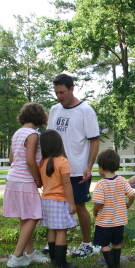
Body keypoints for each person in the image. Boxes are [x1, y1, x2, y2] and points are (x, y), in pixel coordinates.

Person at [47, 73, 100, 258]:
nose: (59, 96)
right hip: (55, 169)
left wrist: (88, 166)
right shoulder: (54, 110)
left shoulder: (86, 110)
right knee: (55, 204)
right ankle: (53, 243)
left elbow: (94, 140)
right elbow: (50, 139)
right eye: (56, 93)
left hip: (77, 169)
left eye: (62, 92)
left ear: (71, 89)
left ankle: (87, 244)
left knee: (79, 206)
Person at [3, 102, 50, 268]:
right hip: (25, 180)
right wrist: (38, 179)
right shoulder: (33, 134)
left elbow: (12, 158)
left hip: (13, 179)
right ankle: (16, 256)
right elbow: (30, 160)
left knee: (25, 216)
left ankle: (29, 253)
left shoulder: (18, 133)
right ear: (40, 117)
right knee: (34, 215)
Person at [39, 129, 78, 268]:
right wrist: (72, 203)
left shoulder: (42, 162)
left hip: (46, 200)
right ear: (59, 144)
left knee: (52, 230)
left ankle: (54, 259)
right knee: (62, 231)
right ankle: (62, 263)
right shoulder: (63, 161)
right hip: (60, 201)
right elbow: (67, 184)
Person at [92, 149, 135, 268]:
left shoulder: (101, 184)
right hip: (119, 221)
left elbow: (99, 203)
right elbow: (131, 194)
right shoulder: (121, 180)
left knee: (105, 244)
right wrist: (129, 204)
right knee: (117, 243)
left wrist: (95, 211)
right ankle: (117, 265)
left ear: (101, 168)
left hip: (104, 222)